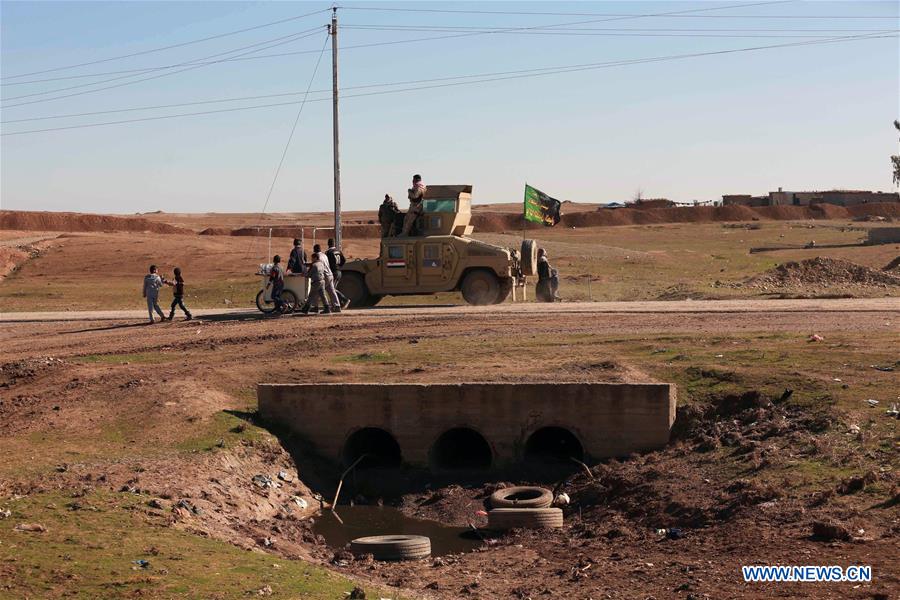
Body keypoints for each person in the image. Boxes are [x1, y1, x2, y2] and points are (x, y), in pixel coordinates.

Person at [313, 243, 341, 313]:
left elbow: (319, 266)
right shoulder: (324, 255)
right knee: (332, 291)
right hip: (330, 274)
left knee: (318, 290)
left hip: (325, 275)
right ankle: (337, 306)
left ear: (314, 250)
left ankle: (318, 307)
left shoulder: (318, 256)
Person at [325, 238, 350, 309]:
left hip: (333, 272)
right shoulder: (338, 251)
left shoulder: (328, 252)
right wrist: (339, 266)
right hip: (339, 271)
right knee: (333, 289)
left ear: (328, 244)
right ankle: (338, 304)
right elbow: (344, 260)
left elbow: (326, 263)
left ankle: (344, 300)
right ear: (334, 244)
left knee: (331, 289)